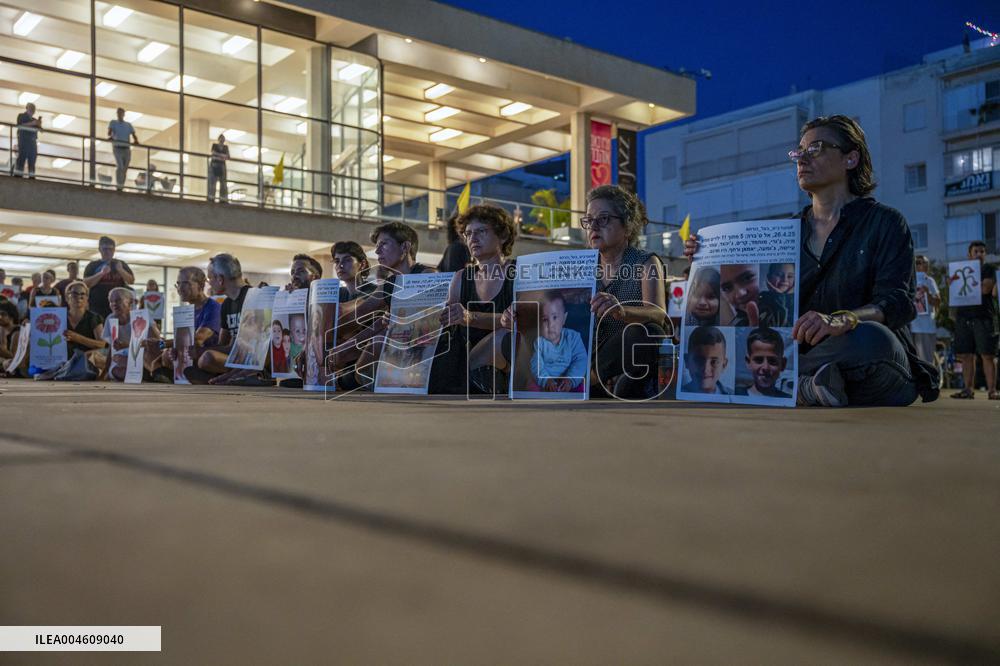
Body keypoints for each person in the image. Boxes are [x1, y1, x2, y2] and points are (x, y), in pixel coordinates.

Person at [685, 114, 937, 407]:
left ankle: (782, 384)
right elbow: (753, 300)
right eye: (798, 152)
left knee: (873, 339)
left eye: (815, 149)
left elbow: (899, 302)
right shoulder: (783, 233)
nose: (802, 158)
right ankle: (806, 386)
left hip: (869, 360)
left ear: (850, 159)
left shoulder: (885, 223)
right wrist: (705, 257)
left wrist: (845, 319)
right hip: (801, 355)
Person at [582, 185, 666, 399]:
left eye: (603, 219)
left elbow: (659, 314)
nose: (593, 226)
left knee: (650, 332)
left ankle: (589, 381)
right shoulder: (581, 266)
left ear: (627, 227)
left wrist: (622, 312)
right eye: (589, 220)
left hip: (624, 353)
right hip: (587, 354)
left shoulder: (646, 262)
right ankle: (598, 378)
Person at [432, 204, 517, 394]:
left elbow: (524, 323)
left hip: (509, 356)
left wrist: (471, 317)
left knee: (507, 336)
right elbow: (447, 323)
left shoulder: (519, 272)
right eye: (468, 234)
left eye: (481, 231)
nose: (473, 239)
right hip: (465, 360)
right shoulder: (461, 278)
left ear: (503, 235)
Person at [151, 267, 221, 383]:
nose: (180, 288)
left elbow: (198, 339)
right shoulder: (186, 311)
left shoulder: (213, 307)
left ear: (201, 285)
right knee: (166, 355)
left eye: (186, 283)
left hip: (205, 359)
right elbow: (181, 341)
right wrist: (171, 348)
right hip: (189, 359)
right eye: (178, 284)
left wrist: (163, 343)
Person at [187, 253, 247, 382]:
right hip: (234, 357)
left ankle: (225, 376)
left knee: (207, 357)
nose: (209, 284)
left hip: (252, 359)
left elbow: (246, 347)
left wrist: (203, 350)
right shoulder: (226, 304)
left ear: (220, 279)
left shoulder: (251, 298)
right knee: (200, 357)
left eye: (210, 279)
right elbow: (224, 344)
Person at [950, 241, 998, 400]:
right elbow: (955, 291)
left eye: (982, 251)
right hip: (963, 317)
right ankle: (968, 390)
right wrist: (954, 284)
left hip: (984, 317)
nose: (979, 254)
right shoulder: (960, 270)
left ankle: (992, 391)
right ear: (969, 254)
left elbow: (986, 288)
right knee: (966, 355)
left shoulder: (988, 269)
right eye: (976, 251)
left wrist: (961, 283)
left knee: (987, 355)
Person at [528, 291, 588, 392]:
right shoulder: (539, 342)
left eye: (555, 317)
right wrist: (546, 380)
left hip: (569, 379)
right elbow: (536, 365)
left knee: (581, 387)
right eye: (545, 319)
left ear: (564, 319)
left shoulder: (573, 337)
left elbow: (581, 360)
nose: (551, 324)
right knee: (531, 386)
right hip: (545, 379)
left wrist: (571, 379)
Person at [98, 287, 160, 381]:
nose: (114, 304)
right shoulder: (110, 318)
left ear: (131, 302)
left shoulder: (142, 317)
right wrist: (105, 372)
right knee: (116, 370)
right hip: (122, 360)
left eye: (118, 300)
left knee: (126, 363)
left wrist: (128, 347)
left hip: (143, 359)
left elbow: (158, 344)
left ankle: (148, 374)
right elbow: (112, 347)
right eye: (111, 301)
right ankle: (141, 374)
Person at [83, 236, 135, 318]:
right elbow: (86, 284)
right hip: (97, 307)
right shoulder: (92, 265)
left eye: (110, 249)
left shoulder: (120, 264)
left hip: (118, 307)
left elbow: (131, 281)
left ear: (114, 250)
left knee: (117, 329)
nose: (108, 252)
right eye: (105, 249)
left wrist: (121, 270)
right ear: (100, 249)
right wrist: (101, 273)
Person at [735, 327, 791, 398]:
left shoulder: (787, 399)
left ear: (783, 364)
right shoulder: (736, 394)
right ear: (748, 362)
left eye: (772, 361)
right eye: (758, 360)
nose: (765, 367)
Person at [910, 255, 941, 370]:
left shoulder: (930, 281)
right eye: (917, 262)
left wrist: (927, 293)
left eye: (923, 263)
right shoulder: (909, 280)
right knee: (913, 361)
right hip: (911, 326)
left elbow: (938, 302)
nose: (920, 265)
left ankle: (929, 386)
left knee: (927, 361)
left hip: (926, 327)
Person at [62, 281, 105, 363]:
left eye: (82, 294)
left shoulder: (94, 318)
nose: (79, 297)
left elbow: (102, 344)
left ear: (87, 298)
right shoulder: (60, 317)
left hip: (86, 362)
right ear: (67, 297)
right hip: (61, 361)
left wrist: (77, 338)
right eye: (75, 293)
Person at [681, 326, 730, 395]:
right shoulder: (676, 396)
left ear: (724, 365)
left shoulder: (733, 394)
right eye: (698, 360)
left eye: (714, 361)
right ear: (687, 361)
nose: (706, 369)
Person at [107, 107, 139, 191]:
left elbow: (133, 134)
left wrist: (136, 140)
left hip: (126, 148)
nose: (120, 115)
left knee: (124, 168)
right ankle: (119, 185)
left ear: (123, 114)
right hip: (117, 148)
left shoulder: (128, 125)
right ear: (117, 114)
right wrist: (111, 136)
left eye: (121, 113)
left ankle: (121, 185)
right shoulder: (113, 123)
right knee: (120, 167)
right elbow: (109, 132)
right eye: (118, 113)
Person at [14, 102, 42, 178]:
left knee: (32, 159)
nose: (32, 110)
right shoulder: (21, 116)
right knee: (21, 157)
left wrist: (39, 124)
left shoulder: (35, 120)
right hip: (24, 141)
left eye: (34, 109)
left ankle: (31, 175)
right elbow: (19, 125)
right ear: (27, 108)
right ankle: (18, 175)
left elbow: (41, 130)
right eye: (31, 108)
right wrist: (32, 123)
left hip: (32, 142)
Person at [207, 134, 230, 202]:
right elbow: (213, 153)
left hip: (222, 165)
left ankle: (223, 198)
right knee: (212, 182)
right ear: (218, 139)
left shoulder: (225, 147)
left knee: (223, 182)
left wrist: (219, 156)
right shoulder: (214, 145)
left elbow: (228, 156)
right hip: (214, 165)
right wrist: (222, 156)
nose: (222, 140)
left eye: (223, 138)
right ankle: (211, 197)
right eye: (221, 138)